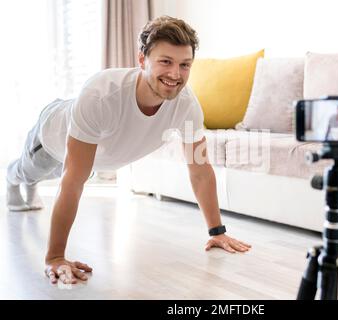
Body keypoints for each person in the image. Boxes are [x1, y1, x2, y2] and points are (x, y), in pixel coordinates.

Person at [6, 16, 251, 285]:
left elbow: (200, 171)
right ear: (142, 60)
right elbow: (74, 181)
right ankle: (12, 179)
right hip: (51, 137)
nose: (175, 74)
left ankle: (31, 185)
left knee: (53, 175)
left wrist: (216, 231)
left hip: (92, 151)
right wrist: (55, 257)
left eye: (184, 65)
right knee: (29, 171)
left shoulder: (187, 106)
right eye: (165, 61)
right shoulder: (101, 94)